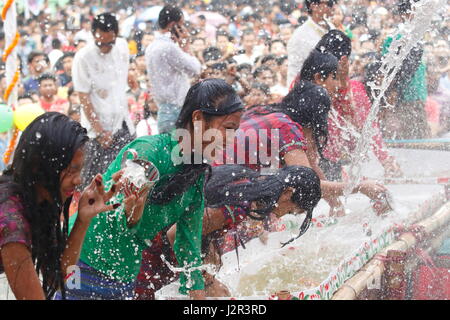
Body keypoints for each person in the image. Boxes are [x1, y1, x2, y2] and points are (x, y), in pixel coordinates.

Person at [60, 79, 244, 300]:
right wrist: (132, 207)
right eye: (228, 128)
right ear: (198, 119)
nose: (231, 139)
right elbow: (119, 208)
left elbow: (188, 244)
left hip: (124, 274)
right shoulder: (150, 152)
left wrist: (197, 292)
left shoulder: (194, 179)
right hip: (82, 258)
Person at [0, 112, 121, 300]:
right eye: (72, 170)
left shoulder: (36, 198)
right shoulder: (11, 220)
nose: (79, 180)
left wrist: (83, 219)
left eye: (80, 169)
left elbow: (57, 279)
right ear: (39, 166)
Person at [314, 30, 402, 180]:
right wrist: (385, 159)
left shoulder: (352, 89)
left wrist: (386, 160)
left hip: (331, 162)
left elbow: (369, 127)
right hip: (327, 163)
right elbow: (369, 128)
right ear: (344, 61)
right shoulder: (350, 89)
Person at [72, 12, 135, 189]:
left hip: (122, 123)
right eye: (102, 43)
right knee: (94, 182)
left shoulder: (121, 46)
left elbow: (122, 69)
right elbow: (83, 96)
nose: (106, 47)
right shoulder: (83, 57)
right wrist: (99, 131)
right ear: (93, 35)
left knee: (125, 174)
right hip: (97, 130)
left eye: (110, 42)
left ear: (116, 35)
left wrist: (129, 75)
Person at [145, 4, 202, 134]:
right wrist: (186, 47)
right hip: (175, 111)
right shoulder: (168, 48)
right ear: (173, 25)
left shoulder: (151, 47)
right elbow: (195, 69)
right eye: (182, 25)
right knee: (182, 153)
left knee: (171, 153)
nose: (184, 29)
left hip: (165, 112)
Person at [381, 0, 430, 139]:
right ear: (407, 13)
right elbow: (392, 70)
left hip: (415, 93)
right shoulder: (397, 36)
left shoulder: (415, 33)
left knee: (415, 132)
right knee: (413, 135)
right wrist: (395, 90)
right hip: (406, 94)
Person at [287, 0, 337, 86]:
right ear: (314, 6)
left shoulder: (331, 26)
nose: (333, 7)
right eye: (329, 3)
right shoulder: (300, 36)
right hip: (313, 89)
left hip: (333, 85)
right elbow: (294, 71)